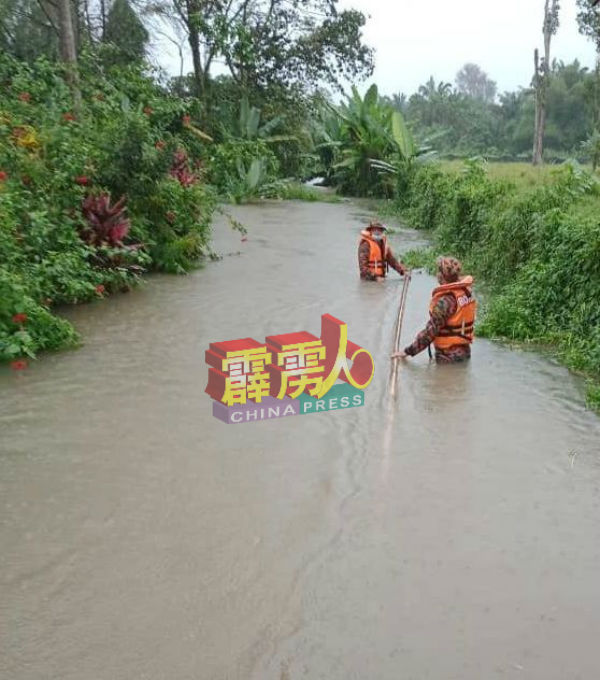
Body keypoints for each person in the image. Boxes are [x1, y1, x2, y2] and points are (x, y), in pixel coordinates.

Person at [391, 256, 477, 363]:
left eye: (438, 272)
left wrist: (407, 351)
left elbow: (430, 333)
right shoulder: (466, 293)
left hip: (447, 357)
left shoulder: (445, 302)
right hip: (465, 353)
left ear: (442, 276)